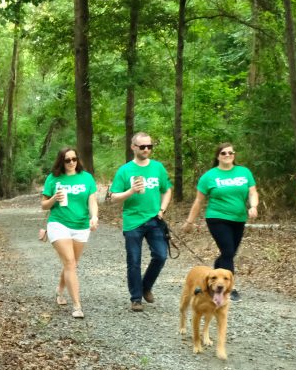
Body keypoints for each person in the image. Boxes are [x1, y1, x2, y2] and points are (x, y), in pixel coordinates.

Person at [183, 142, 259, 302]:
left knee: (228, 254)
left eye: (231, 153)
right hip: (216, 218)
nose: (227, 155)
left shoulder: (244, 172)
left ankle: (213, 276)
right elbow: (198, 201)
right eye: (224, 153)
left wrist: (253, 206)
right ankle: (230, 289)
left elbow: (253, 192)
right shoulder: (209, 176)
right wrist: (189, 222)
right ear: (218, 156)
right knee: (228, 252)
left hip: (238, 218)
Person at [109, 132, 172, 312]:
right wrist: (130, 191)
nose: (146, 150)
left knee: (160, 255)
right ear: (133, 147)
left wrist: (162, 210)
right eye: (142, 146)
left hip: (154, 219)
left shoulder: (158, 168)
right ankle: (136, 298)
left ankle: (146, 287)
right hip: (133, 221)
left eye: (149, 146)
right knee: (134, 261)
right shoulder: (125, 170)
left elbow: (167, 190)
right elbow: (113, 197)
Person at [41, 147, 99, 318]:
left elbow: (92, 200)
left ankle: (60, 290)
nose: (72, 163)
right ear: (61, 161)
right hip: (59, 224)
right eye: (67, 160)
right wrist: (53, 199)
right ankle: (77, 306)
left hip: (81, 225)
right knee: (70, 262)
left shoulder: (86, 178)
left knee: (71, 264)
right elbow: (43, 205)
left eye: (74, 159)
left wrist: (94, 217)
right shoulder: (53, 179)